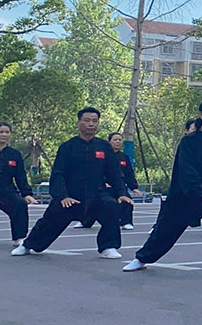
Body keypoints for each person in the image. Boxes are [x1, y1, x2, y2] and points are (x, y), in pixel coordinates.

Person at [124, 99, 202, 275]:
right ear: (201, 115)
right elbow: (186, 170)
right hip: (186, 194)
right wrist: (201, 193)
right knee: (165, 230)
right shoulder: (188, 142)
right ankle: (141, 259)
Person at [16, 108, 131, 259]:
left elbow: (115, 174)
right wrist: (63, 196)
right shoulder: (67, 147)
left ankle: (108, 247)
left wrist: (122, 193)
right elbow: (58, 174)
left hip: (96, 194)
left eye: (94, 121)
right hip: (70, 196)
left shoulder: (104, 147)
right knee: (49, 221)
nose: (91, 124)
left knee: (110, 206)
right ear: (78, 123)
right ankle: (28, 246)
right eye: (87, 120)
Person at [108, 132, 145, 231]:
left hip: (120, 186)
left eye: (120, 140)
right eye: (115, 140)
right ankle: (85, 221)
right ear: (109, 142)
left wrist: (134, 187)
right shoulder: (104, 156)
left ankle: (126, 222)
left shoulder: (124, 158)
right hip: (104, 186)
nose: (118, 142)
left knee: (127, 201)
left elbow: (129, 174)